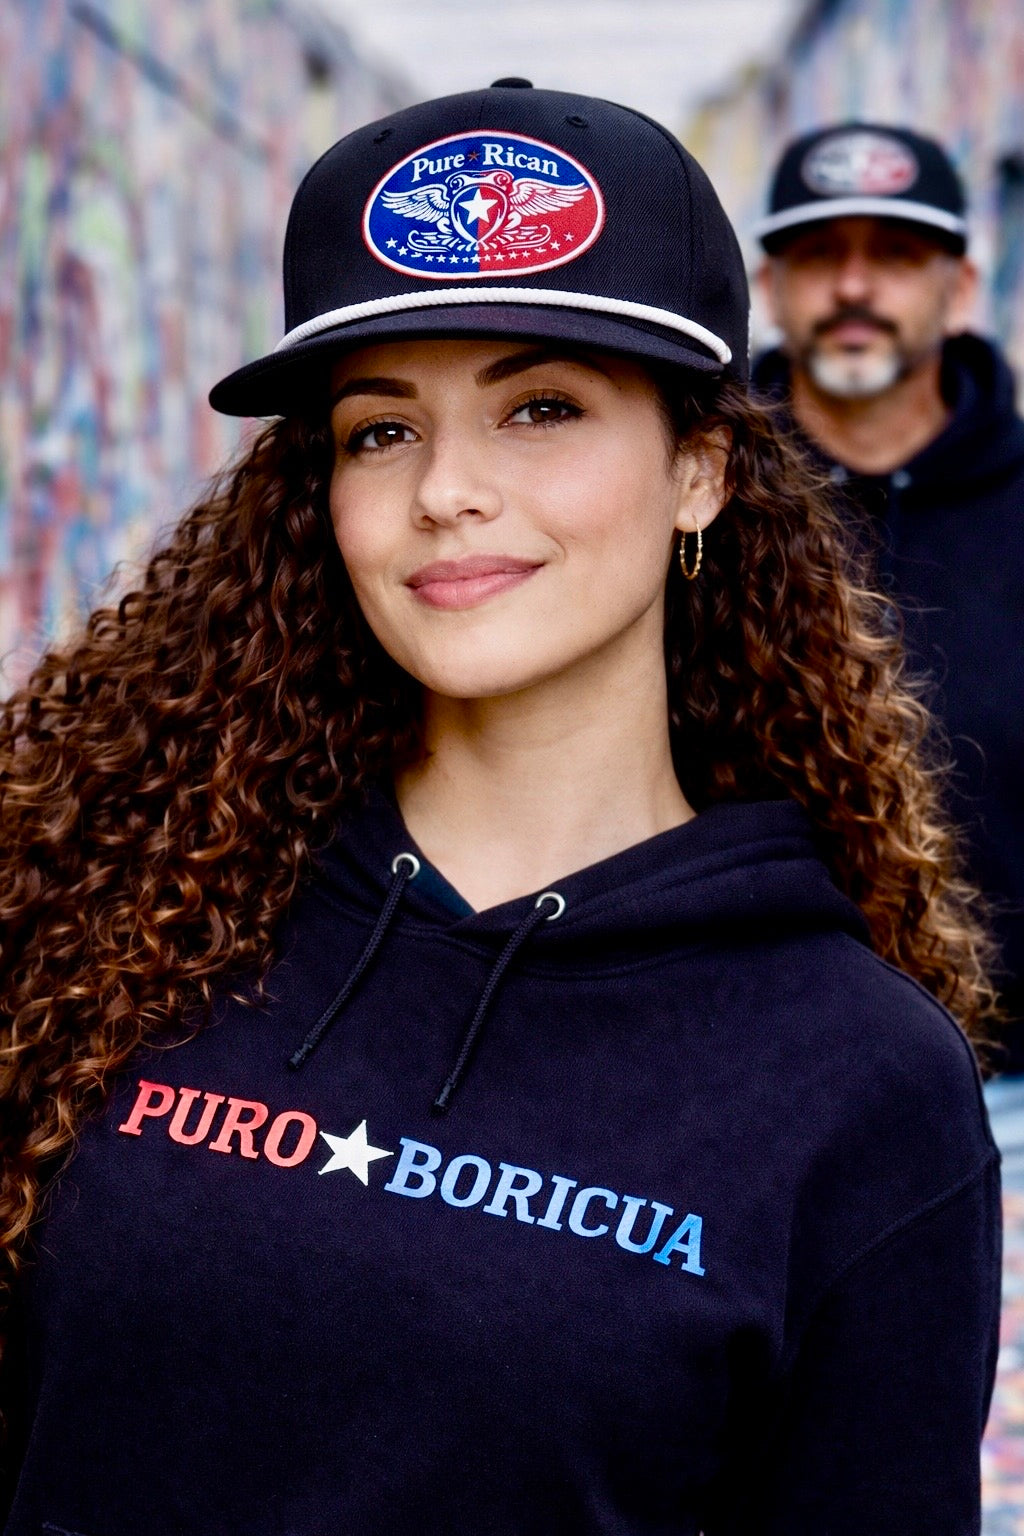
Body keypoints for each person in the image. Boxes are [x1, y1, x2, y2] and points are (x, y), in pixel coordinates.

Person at [0, 82, 1002, 1535]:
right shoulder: (112, 904)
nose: (449, 490)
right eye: (379, 430)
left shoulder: (859, 1088)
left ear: (701, 469)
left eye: (542, 407)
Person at [753, 121, 1024, 1067]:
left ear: (960, 292)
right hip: (753, 1059)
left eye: (897, 256)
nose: (856, 287)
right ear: (767, 290)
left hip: (1009, 1078)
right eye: (820, 254)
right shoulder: (692, 496)